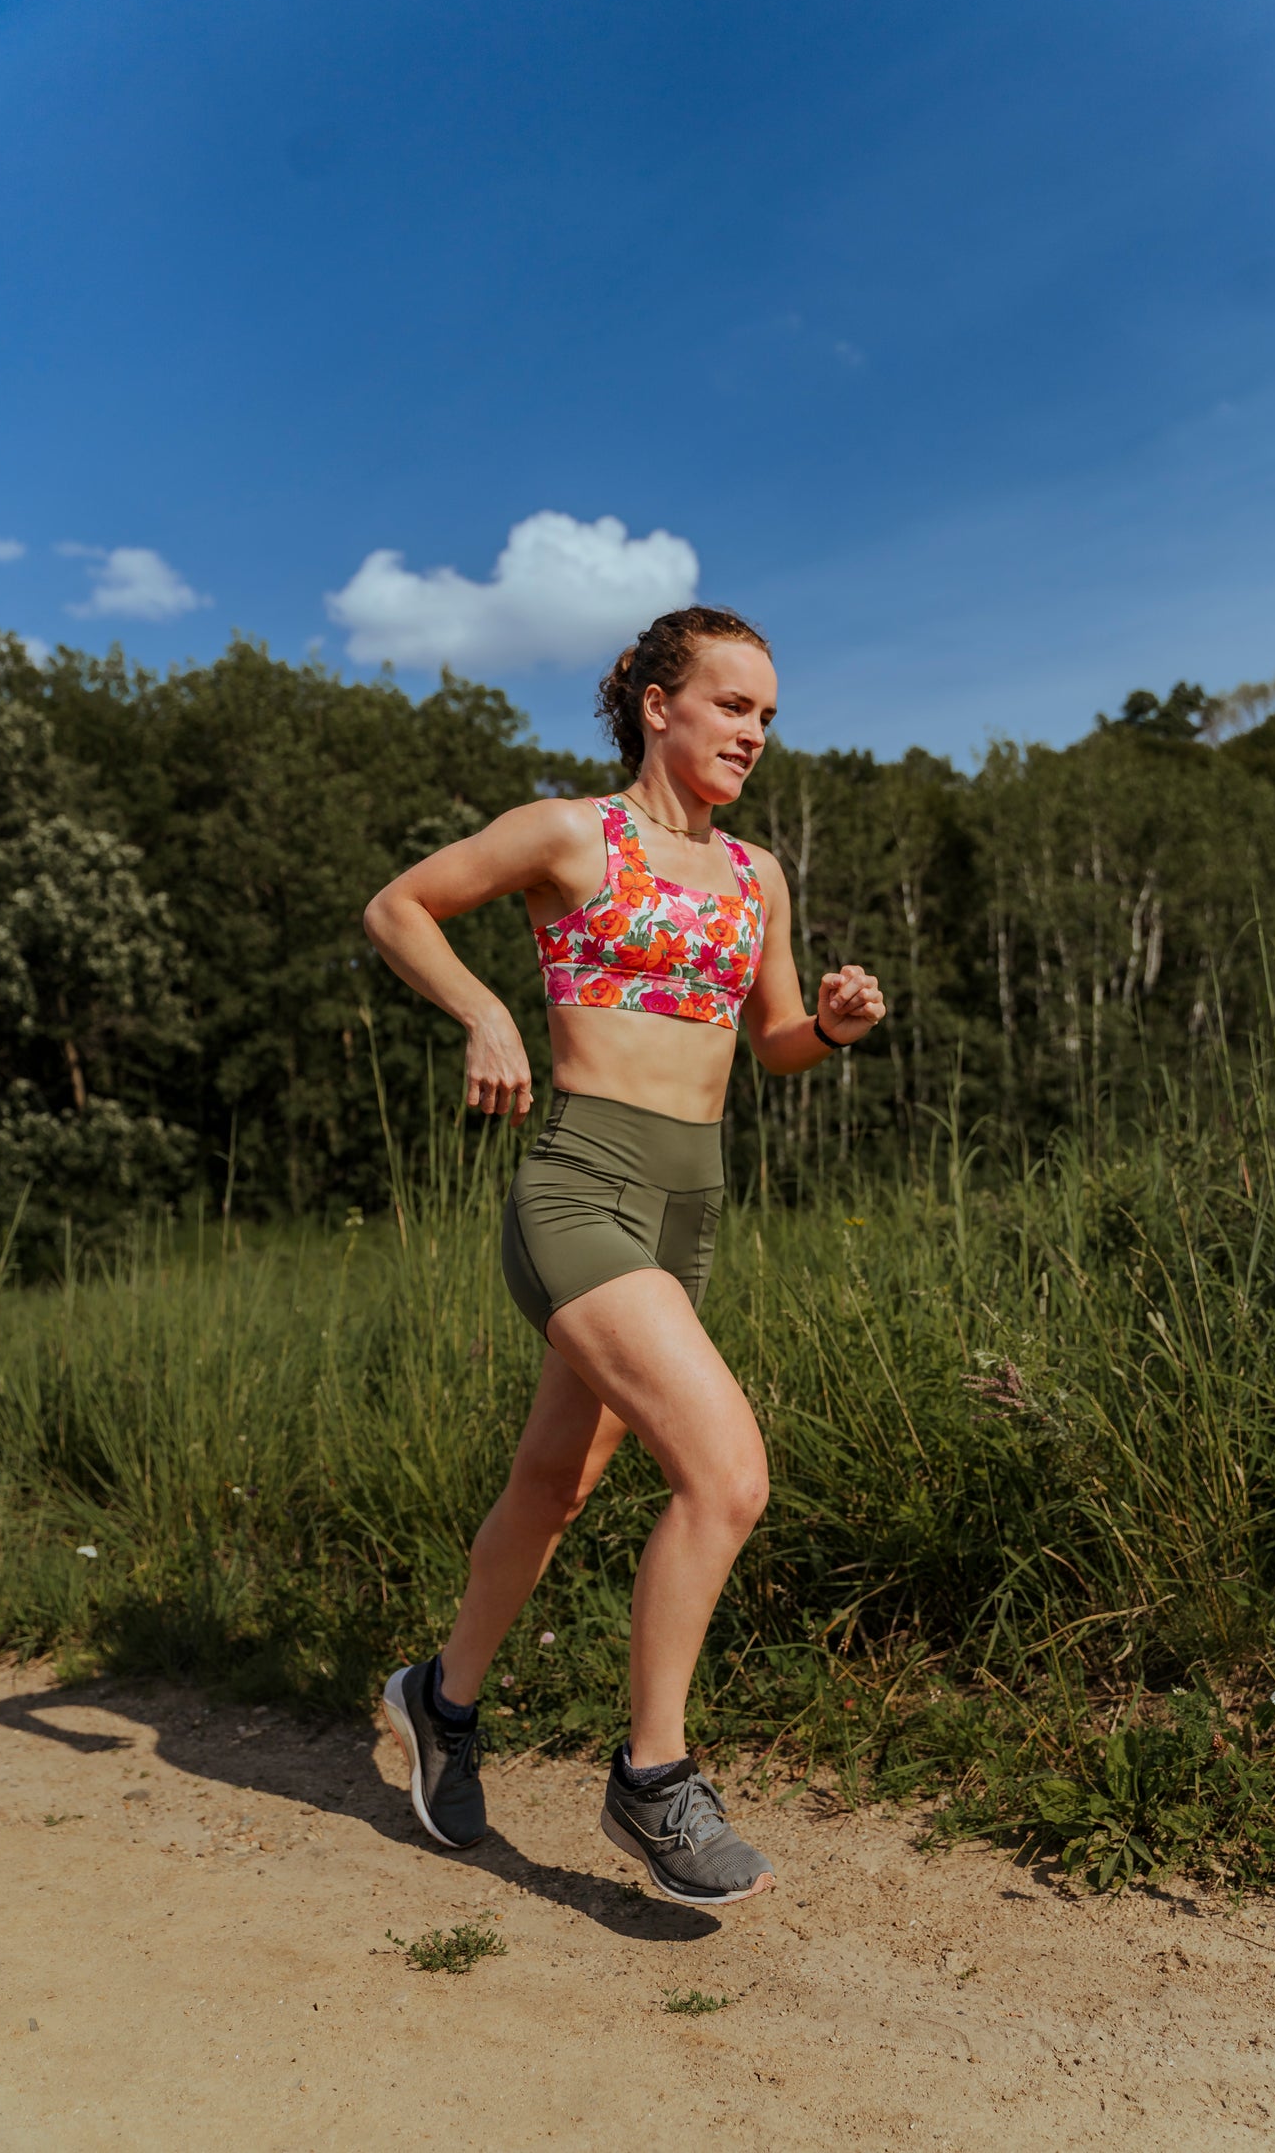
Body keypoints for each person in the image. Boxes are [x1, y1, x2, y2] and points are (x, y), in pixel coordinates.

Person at [364, 605, 886, 1906]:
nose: (753, 735)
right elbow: (399, 907)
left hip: (688, 1206)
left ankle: (441, 1700)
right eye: (730, 706)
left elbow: (767, 1040)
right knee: (725, 1476)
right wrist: (488, 1013)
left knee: (555, 1482)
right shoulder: (571, 833)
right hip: (580, 1188)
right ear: (658, 705)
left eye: (765, 715)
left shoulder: (755, 876)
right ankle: (654, 1779)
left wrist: (823, 1026)